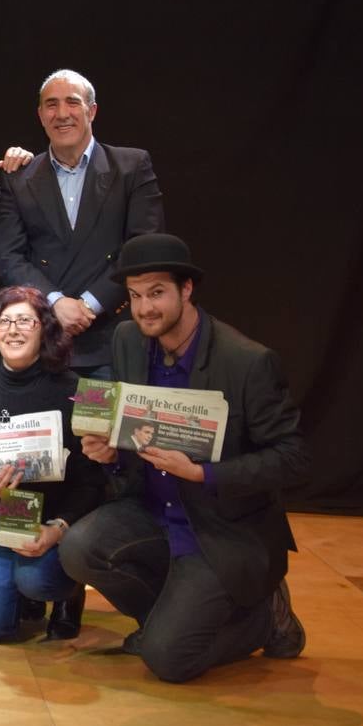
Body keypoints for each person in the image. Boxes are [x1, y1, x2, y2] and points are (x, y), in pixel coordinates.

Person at [59, 234, 310, 682]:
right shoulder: (127, 340)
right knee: (79, 548)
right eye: (135, 296)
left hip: (220, 527)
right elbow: (128, 432)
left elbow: (292, 458)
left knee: (168, 661)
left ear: (187, 290)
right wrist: (109, 451)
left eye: (157, 293)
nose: (144, 309)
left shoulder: (248, 362)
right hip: (153, 511)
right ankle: (170, 622)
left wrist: (202, 472)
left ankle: (265, 616)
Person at [0, 286, 106, 643]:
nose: (13, 330)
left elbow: (94, 480)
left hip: (54, 520)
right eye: (4, 321)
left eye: (25, 321)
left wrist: (58, 529)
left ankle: (66, 591)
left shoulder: (79, 391)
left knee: (37, 579)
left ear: (45, 330)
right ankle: (20, 593)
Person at [0, 69, 165, 377]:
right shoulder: (19, 177)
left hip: (111, 339)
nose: (62, 114)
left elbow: (143, 250)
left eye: (72, 102)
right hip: (43, 339)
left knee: (100, 427)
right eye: (51, 104)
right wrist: (55, 303)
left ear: (92, 110)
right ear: (40, 115)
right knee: (46, 426)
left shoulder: (131, 167)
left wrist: (89, 305)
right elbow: (9, 257)